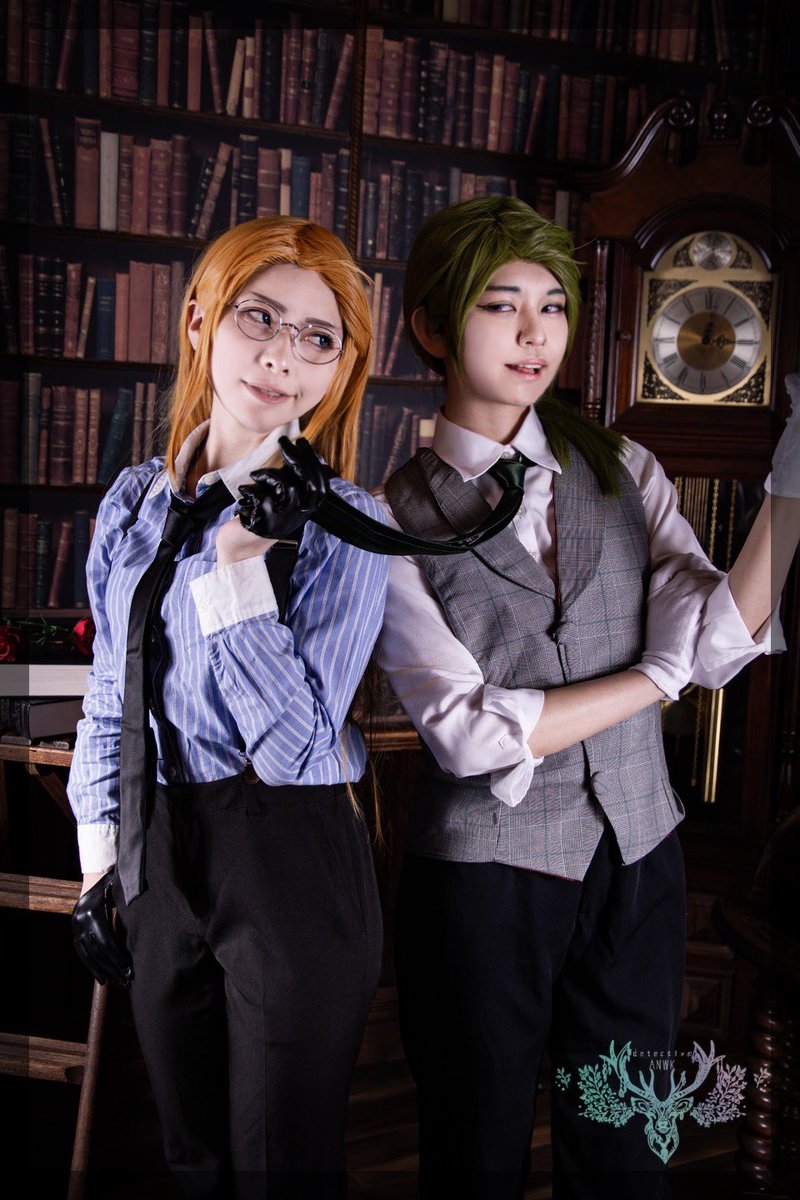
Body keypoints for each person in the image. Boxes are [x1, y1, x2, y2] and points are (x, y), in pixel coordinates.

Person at [373, 195, 800, 1199]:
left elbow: (715, 641)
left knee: (625, 1147)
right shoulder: (384, 518)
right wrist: (651, 679)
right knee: (473, 1152)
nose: (535, 334)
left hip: (639, 859)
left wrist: (793, 477)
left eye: (553, 306)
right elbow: (470, 734)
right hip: (484, 881)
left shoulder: (624, 466)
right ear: (432, 325)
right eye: (500, 305)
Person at [67, 216, 388, 1199]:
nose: (283, 356)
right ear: (201, 321)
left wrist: (238, 566)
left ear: (340, 368)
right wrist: (100, 866)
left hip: (288, 859)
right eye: (260, 318)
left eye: (317, 337)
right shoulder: (133, 503)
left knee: (280, 1169)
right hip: (158, 854)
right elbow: (110, 698)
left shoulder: (352, 526)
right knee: (190, 1159)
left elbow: (297, 749)